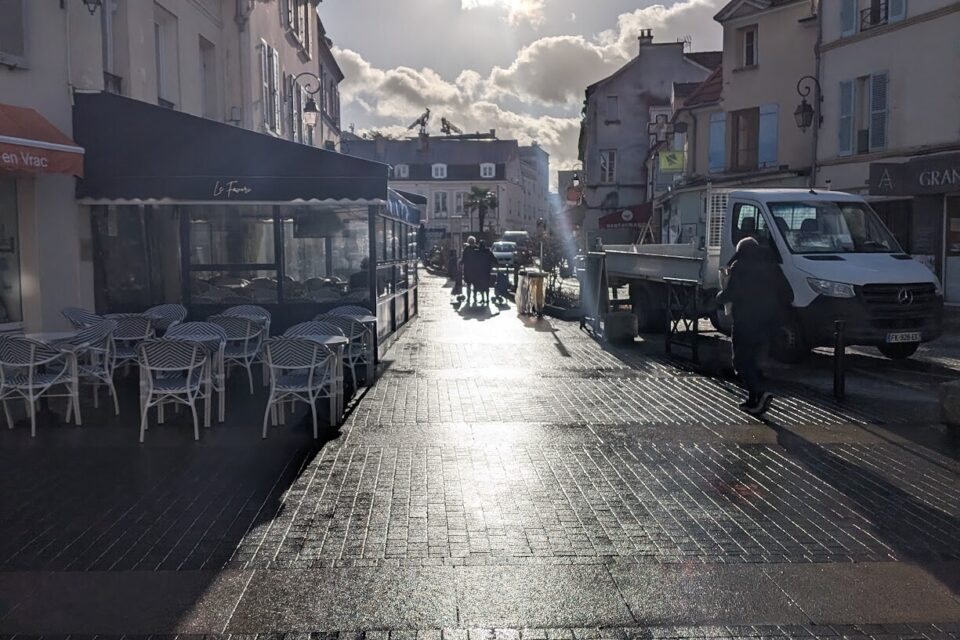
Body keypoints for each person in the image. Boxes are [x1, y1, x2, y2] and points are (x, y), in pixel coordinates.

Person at [716, 237, 789, 416]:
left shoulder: (740, 266)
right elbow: (788, 293)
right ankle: (753, 400)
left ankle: (759, 393)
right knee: (756, 360)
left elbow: (732, 293)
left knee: (741, 360)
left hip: (746, 321)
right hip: (769, 322)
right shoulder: (773, 266)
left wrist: (719, 297)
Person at [475, 240, 497, 305]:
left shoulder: (477, 252)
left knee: (481, 286)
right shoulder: (488, 252)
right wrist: (495, 264)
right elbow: (494, 259)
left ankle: (483, 298)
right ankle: (487, 299)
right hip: (487, 271)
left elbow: (474, 262)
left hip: (479, 271)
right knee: (486, 286)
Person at [461, 236, 480, 305]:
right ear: (474, 241)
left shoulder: (466, 249)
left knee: (468, 285)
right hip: (475, 269)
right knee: (475, 285)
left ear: (468, 242)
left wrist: (460, 263)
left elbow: (463, 259)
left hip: (468, 269)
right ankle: (475, 297)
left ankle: (468, 298)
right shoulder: (477, 248)